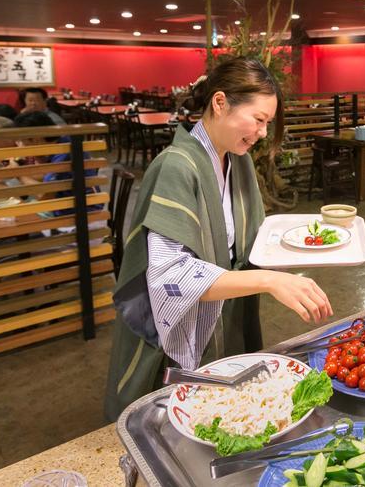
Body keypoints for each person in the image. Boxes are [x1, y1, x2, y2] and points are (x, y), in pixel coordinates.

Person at [103, 57, 333, 420]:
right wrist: (269, 280)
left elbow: (249, 241)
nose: (260, 133)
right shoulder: (176, 166)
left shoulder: (235, 160)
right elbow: (170, 276)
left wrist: (299, 250)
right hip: (178, 327)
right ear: (220, 102)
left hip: (221, 317)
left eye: (267, 124)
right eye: (258, 120)